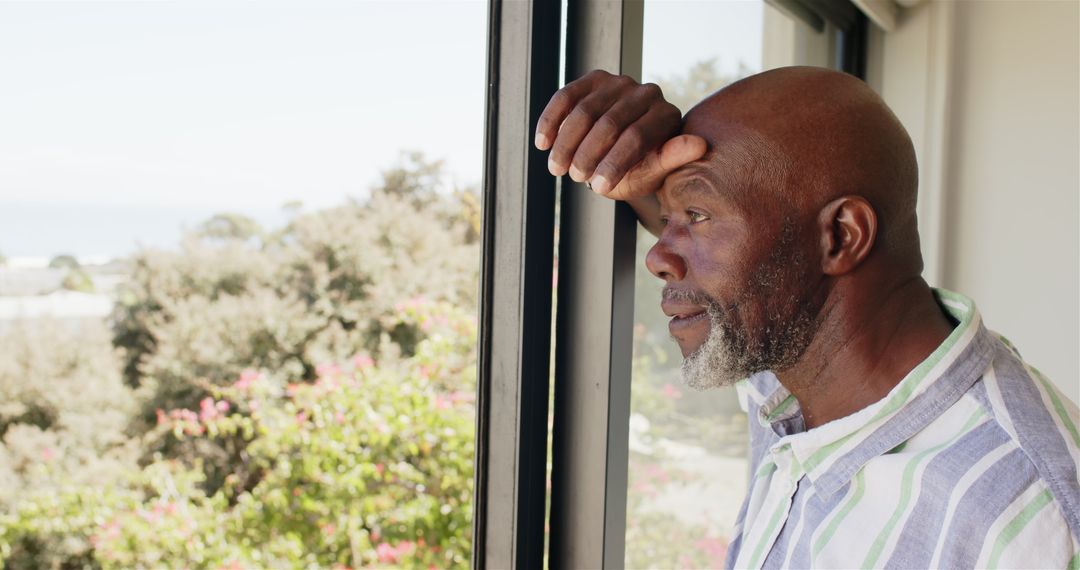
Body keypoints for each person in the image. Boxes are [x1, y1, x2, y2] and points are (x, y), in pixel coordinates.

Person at [536, 67, 1080, 569]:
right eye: (669, 216)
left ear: (842, 236)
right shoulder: (796, 358)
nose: (658, 257)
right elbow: (759, 256)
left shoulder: (1024, 521)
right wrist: (627, 154)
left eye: (696, 215)